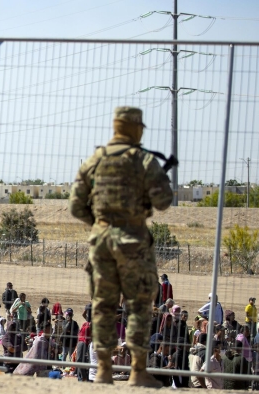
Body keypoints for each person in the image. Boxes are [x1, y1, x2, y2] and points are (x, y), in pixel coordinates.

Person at [69, 107, 173, 386]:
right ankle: (138, 371)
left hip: (101, 243)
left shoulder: (95, 159)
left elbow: (76, 205)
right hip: (133, 242)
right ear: (136, 129)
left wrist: (100, 224)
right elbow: (163, 200)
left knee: (103, 305)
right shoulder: (143, 160)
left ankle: (102, 369)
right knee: (139, 305)